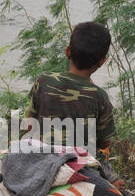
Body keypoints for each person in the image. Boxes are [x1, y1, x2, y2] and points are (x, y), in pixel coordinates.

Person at [27, 21, 117, 158]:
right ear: (102, 62)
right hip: (80, 164)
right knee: (115, 179)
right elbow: (105, 143)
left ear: (68, 51)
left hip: (41, 158)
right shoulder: (100, 97)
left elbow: (29, 124)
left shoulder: (44, 80)